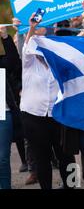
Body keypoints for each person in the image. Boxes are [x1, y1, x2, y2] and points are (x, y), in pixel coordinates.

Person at [20, 14, 76, 189]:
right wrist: (31, 27)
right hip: (34, 116)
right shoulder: (29, 62)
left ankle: (72, 186)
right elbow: (28, 45)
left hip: (59, 116)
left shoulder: (60, 64)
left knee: (67, 156)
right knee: (41, 157)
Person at [0, 25, 22, 189]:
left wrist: (6, 37)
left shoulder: (1, 63)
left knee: (2, 158)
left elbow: (14, 61)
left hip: (3, 115)